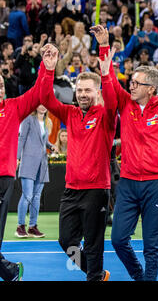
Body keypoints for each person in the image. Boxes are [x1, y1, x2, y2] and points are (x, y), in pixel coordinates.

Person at [93, 25, 158, 281]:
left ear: (151, 88)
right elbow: (108, 87)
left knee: (152, 247)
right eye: (131, 82)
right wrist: (104, 46)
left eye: (136, 83)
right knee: (118, 239)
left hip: (156, 183)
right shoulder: (124, 102)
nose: (130, 85)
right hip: (129, 184)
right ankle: (139, 276)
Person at [39, 44, 114, 282]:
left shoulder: (105, 115)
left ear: (97, 92)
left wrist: (105, 66)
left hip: (95, 190)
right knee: (66, 241)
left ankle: (94, 276)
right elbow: (45, 99)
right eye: (79, 90)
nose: (82, 94)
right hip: (71, 190)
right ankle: (97, 274)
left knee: (93, 244)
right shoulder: (70, 114)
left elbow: (113, 98)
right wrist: (48, 69)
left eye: (88, 91)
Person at [0, 50, 49, 281]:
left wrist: (46, 68)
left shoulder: (12, 107)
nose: (0, 89)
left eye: (1, 85)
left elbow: (38, 92)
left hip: (2, 177)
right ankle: (9, 271)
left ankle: (9, 272)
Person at [15, 105, 55, 238]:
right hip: (28, 162)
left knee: (37, 197)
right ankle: (20, 226)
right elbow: (22, 138)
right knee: (27, 195)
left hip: (42, 164)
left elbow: (44, 141)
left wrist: (50, 146)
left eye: (45, 105)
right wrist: (17, 157)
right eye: (40, 104)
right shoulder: (28, 119)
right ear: (35, 105)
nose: (43, 107)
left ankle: (33, 226)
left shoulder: (47, 122)